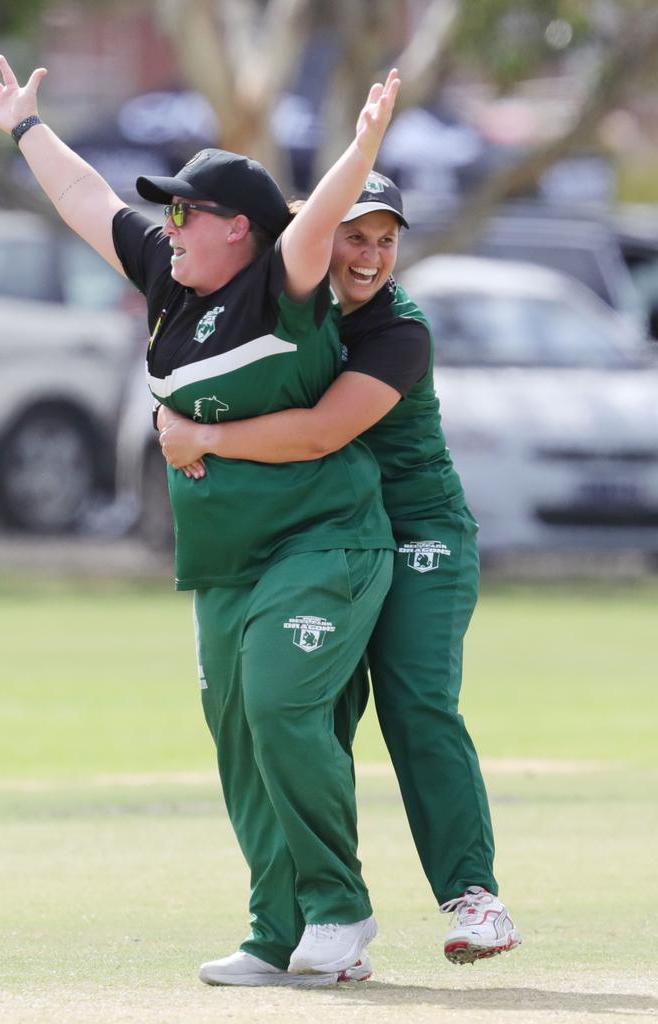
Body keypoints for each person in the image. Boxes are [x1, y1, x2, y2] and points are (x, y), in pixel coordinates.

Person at [0, 57, 402, 986]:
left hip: (322, 542)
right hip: (226, 559)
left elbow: (317, 218)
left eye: (184, 213)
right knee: (240, 736)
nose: (166, 227)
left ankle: (339, 908)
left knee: (284, 707)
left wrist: (362, 147)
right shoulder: (169, 279)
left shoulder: (279, 283)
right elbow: (86, 200)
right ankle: (275, 933)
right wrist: (27, 126)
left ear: (238, 229)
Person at [158, 171, 521, 966]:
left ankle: (474, 898)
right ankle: (318, 925)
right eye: (354, 235)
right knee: (298, 719)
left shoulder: (399, 330)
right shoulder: (281, 305)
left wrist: (203, 439)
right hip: (325, 535)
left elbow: (322, 430)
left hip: (417, 532)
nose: (370, 255)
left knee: (414, 699)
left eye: (387, 240)